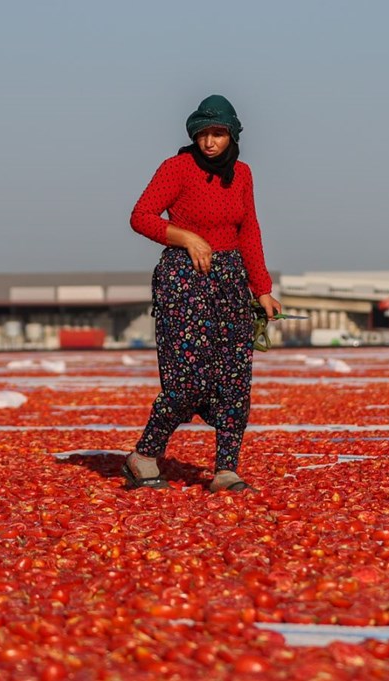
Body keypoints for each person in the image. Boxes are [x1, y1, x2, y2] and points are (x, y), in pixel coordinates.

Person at [126, 94, 282, 492]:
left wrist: (262, 289)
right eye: (203, 134)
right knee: (187, 379)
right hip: (183, 279)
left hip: (230, 280)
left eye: (218, 134)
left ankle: (225, 468)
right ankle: (145, 453)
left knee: (234, 376)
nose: (210, 142)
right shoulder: (176, 168)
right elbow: (141, 216)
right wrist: (187, 238)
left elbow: (249, 231)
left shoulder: (242, 175)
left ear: (232, 135)